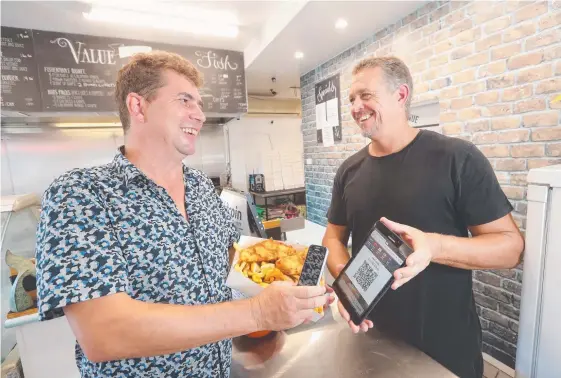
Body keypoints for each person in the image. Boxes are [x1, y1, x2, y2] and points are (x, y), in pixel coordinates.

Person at [35, 51, 329, 378]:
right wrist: (257, 313)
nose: (200, 115)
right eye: (185, 100)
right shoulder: (80, 194)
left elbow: (235, 257)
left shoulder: (201, 186)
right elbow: (103, 332)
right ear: (138, 106)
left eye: (200, 104)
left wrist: (299, 280)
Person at [323, 56, 524, 378]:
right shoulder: (349, 170)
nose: (355, 107)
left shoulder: (458, 157)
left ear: (400, 95)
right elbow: (333, 237)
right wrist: (348, 285)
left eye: (366, 95)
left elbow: (510, 248)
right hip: (371, 334)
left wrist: (433, 246)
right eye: (351, 99)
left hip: (443, 345)